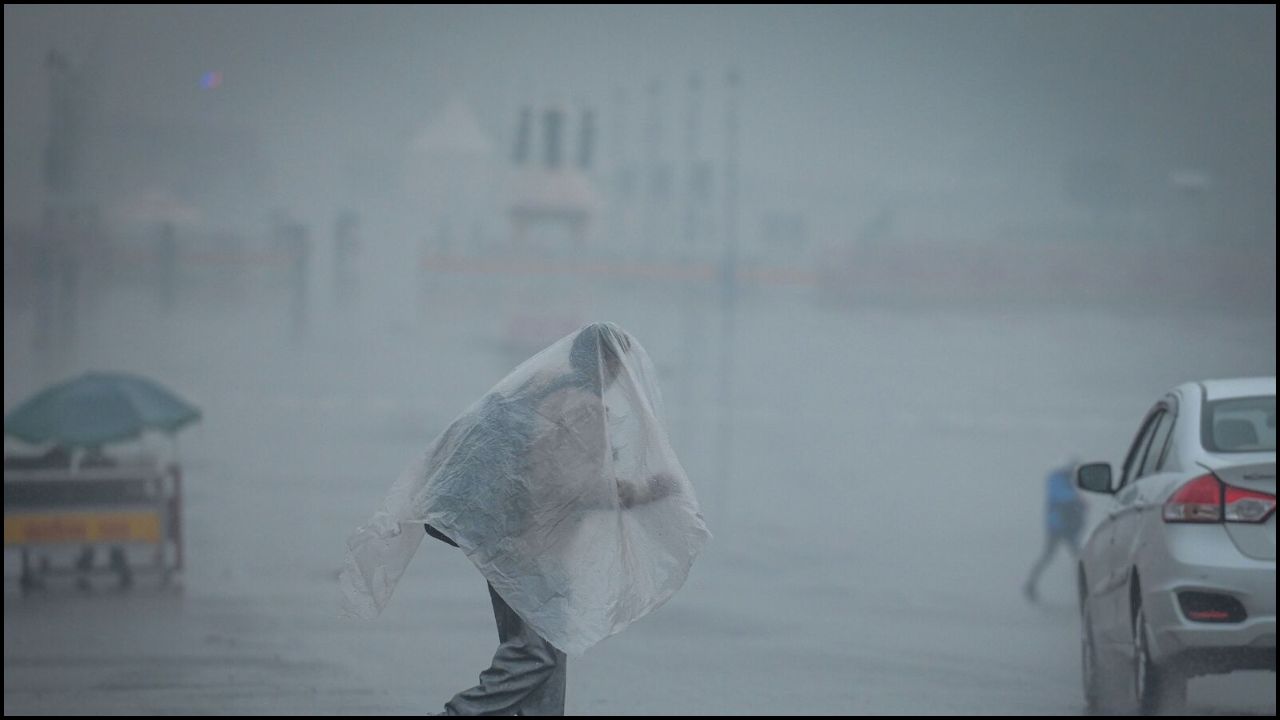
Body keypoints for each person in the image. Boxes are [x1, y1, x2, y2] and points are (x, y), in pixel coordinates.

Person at [342, 322, 709, 716]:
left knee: (547, 652)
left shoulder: (546, 391)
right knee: (535, 656)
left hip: (517, 544)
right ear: (610, 365)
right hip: (534, 553)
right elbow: (575, 486)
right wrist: (646, 491)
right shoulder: (582, 406)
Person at [1023, 458, 1087, 603]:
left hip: (1067, 527)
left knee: (1075, 556)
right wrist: (1078, 500)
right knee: (1053, 555)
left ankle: (1031, 584)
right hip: (1057, 526)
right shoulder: (1057, 479)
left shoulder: (1067, 481)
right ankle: (1030, 584)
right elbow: (1060, 496)